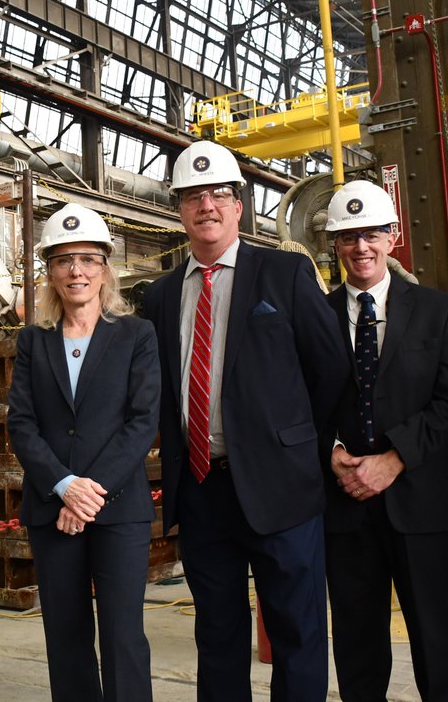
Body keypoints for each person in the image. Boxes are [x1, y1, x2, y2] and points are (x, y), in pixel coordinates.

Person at [141, 141, 348, 702]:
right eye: (192, 196)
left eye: (218, 194)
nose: (206, 205)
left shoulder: (283, 274)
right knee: (217, 633)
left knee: (297, 631)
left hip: (281, 487)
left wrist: (301, 448)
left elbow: (329, 369)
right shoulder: (159, 296)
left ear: (239, 204)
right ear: (179, 208)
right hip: (204, 489)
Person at [320, 180, 448, 702]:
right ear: (334, 245)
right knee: (357, 644)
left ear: (394, 237)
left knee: (434, 637)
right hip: (346, 507)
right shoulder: (316, 315)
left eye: (372, 234)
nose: (361, 247)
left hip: (421, 503)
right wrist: (331, 452)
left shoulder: (439, 311)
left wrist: (395, 458)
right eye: (348, 236)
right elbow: (301, 402)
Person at [6, 203, 160, 702]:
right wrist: (64, 487)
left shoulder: (136, 335)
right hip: (53, 509)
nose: (77, 270)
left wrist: (88, 494)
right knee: (66, 637)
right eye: (64, 259)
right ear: (49, 271)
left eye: (89, 259)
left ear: (105, 268)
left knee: (122, 635)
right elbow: (22, 424)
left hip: (118, 512)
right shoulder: (33, 341)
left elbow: (142, 421)